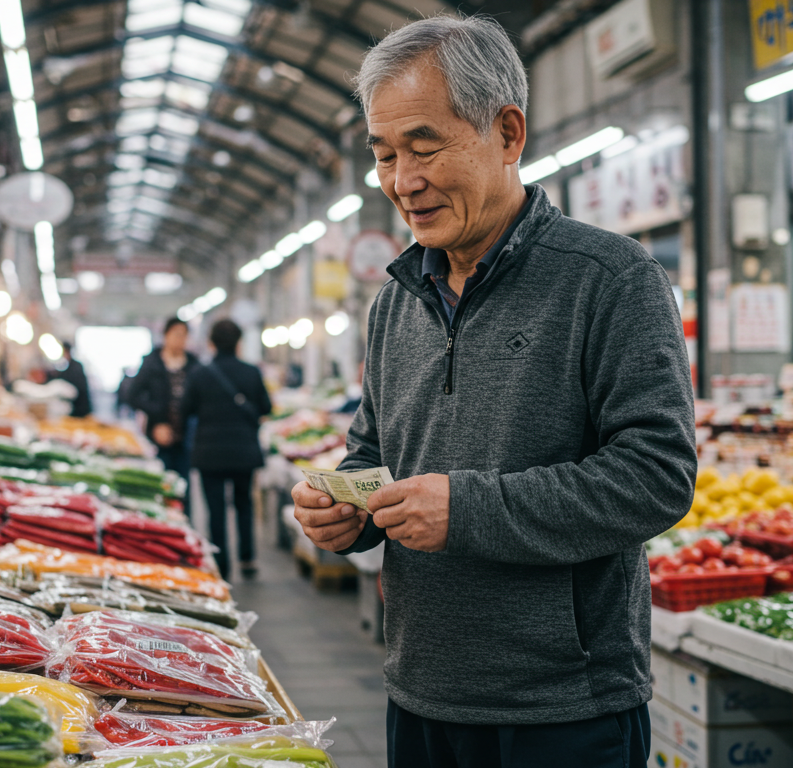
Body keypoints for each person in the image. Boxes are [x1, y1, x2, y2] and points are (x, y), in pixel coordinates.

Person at [290, 16, 696, 768]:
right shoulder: (395, 300)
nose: (401, 181)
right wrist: (347, 505)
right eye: (383, 155)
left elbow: (657, 476)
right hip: (420, 689)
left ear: (507, 133)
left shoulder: (610, 280)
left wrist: (470, 508)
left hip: (564, 709)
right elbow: (374, 448)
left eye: (423, 147)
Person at [182, 319, 272, 581]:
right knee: (244, 504)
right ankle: (248, 558)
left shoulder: (199, 374)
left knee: (216, 509)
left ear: (211, 343)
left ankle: (222, 563)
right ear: (239, 342)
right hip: (244, 450)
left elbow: (186, 409)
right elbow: (265, 407)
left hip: (210, 452)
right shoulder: (251, 372)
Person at [131, 317, 200, 519]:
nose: (180, 339)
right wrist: (157, 418)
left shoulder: (194, 365)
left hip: (186, 436)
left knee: (184, 487)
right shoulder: (152, 362)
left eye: (184, 335)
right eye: (176, 334)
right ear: (166, 335)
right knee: (161, 485)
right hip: (158, 435)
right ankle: (163, 524)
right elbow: (132, 395)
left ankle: (185, 526)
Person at [47, 341, 93, 418]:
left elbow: (72, 384)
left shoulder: (75, 367)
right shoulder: (68, 366)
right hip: (77, 407)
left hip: (80, 408)